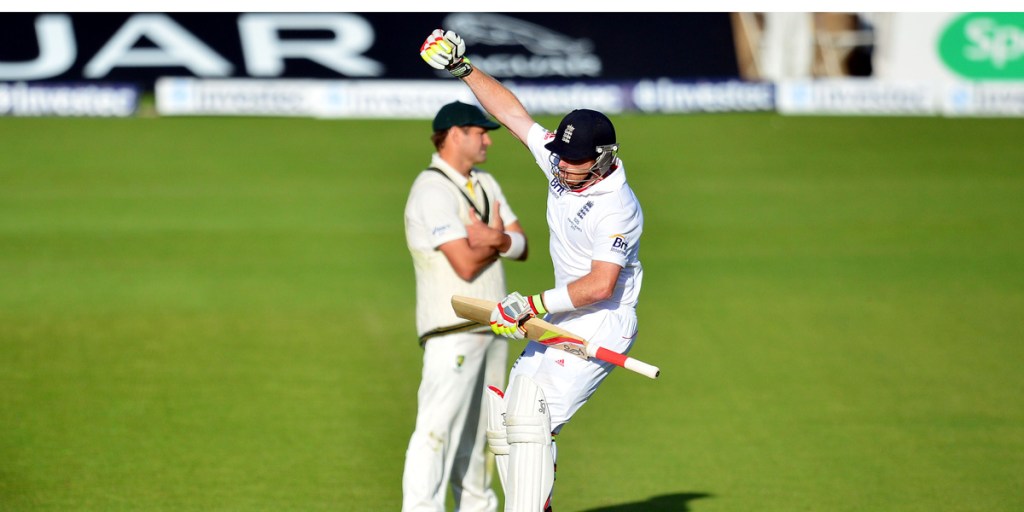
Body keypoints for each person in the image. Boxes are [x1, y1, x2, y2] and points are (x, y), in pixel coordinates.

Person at [420, 30, 645, 512]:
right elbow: (513, 114)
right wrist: (463, 68)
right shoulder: (564, 162)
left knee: (530, 423)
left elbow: (601, 284)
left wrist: (532, 304)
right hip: (562, 313)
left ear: (604, 159)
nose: (563, 167)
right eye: (561, 156)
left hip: (601, 320)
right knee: (504, 420)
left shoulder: (617, 207)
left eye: (577, 161)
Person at [402, 100, 530, 512]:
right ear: (455, 134)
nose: (488, 140)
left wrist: (490, 239)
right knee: (437, 432)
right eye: (481, 132)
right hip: (451, 330)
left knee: (480, 439)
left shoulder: (486, 183)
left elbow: (522, 245)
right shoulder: (432, 190)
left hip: (495, 327)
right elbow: (465, 262)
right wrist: (499, 241)